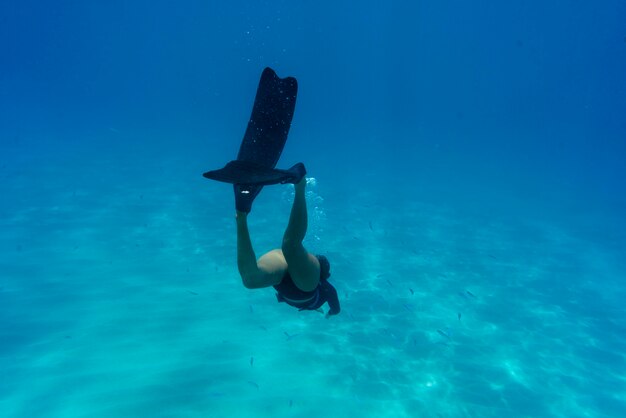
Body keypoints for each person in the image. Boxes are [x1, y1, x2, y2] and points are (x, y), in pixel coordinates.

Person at [235, 173, 340, 317]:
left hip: (283, 277)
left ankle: (241, 215)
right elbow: (336, 309)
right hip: (305, 286)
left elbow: (335, 309)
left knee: (251, 280)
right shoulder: (325, 288)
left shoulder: (323, 291)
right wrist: (330, 313)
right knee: (291, 246)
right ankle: (300, 185)